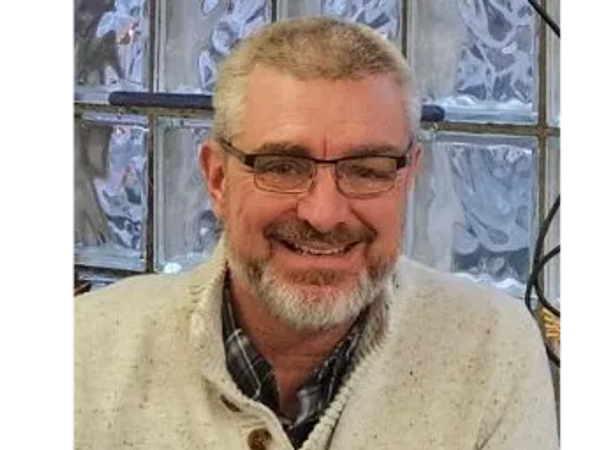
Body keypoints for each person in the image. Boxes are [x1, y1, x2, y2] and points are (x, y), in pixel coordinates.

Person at [70, 17, 561, 450]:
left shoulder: (491, 350)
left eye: (366, 170)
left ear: (408, 178)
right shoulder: (86, 352)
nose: (324, 214)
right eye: (283, 166)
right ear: (217, 179)